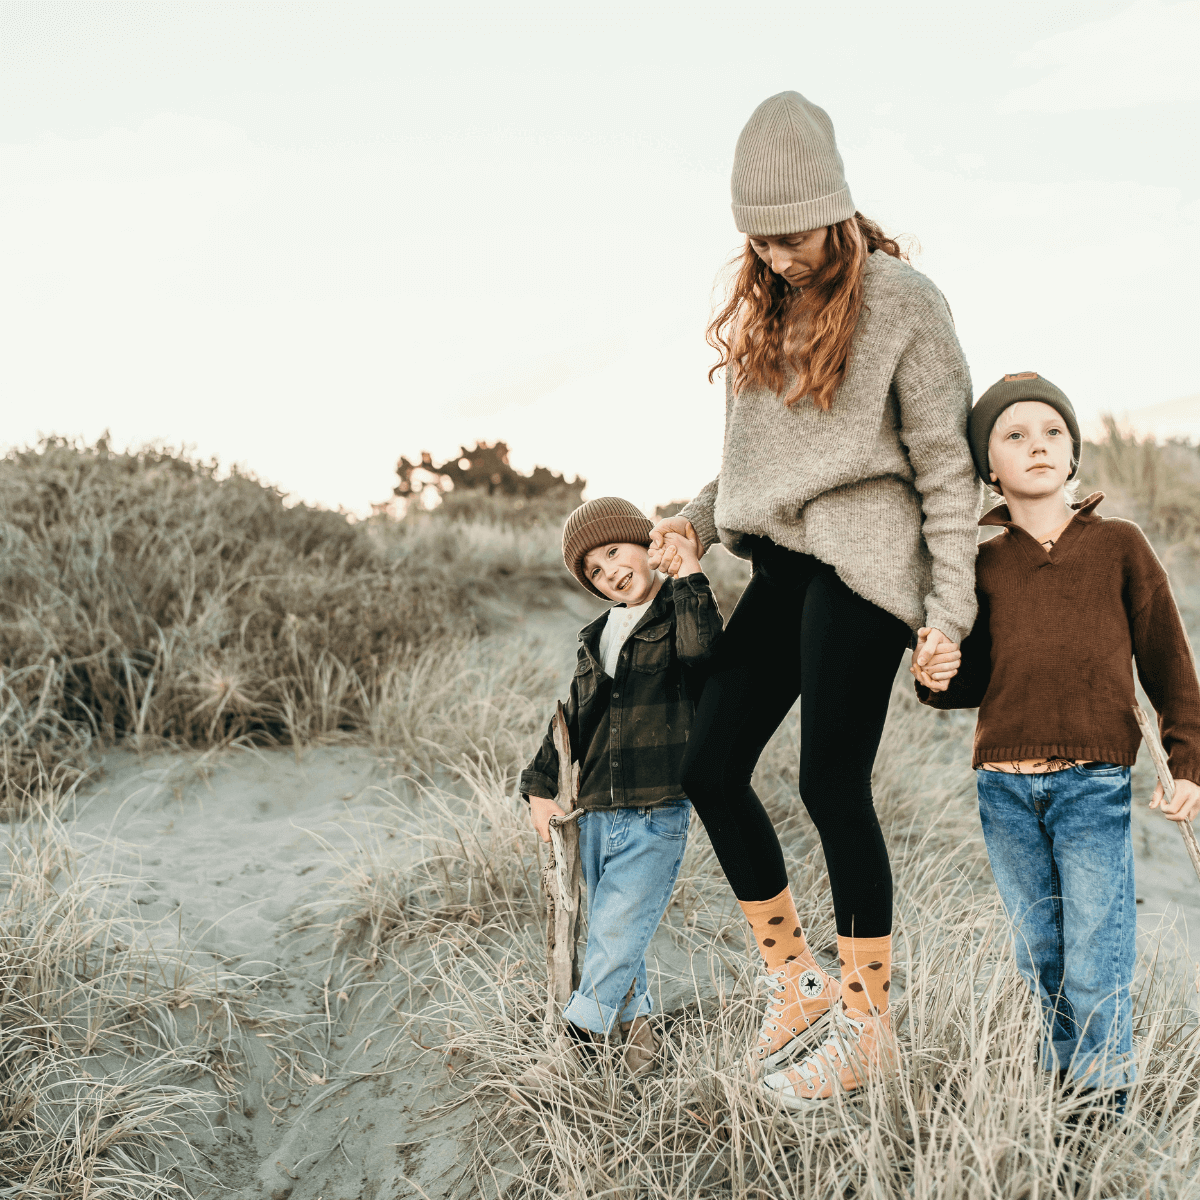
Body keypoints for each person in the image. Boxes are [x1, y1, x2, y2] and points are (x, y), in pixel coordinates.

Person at [649, 90, 978, 1106]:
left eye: (792, 235)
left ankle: (870, 1026)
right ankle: (797, 982)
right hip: (786, 566)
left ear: (835, 208)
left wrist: (949, 612)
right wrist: (695, 522)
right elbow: (756, 470)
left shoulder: (906, 301)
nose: (779, 256)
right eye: (760, 239)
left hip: (870, 567)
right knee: (710, 766)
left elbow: (946, 468)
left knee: (830, 786)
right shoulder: (773, 313)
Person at [913, 372, 1200, 1110]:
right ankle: (1059, 1082)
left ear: (1072, 453)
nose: (1036, 445)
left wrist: (1188, 762)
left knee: (1096, 948)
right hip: (1002, 784)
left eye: (1052, 432)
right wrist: (934, 671)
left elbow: (1170, 660)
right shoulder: (979, 563)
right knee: (1037, 947)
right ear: (988, 466)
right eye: (1014, 435)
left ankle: (1102, 1100)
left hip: (1092, 779)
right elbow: (970, 679)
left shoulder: (1119, 547)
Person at [515, 496, 723, 1087]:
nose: (611, 573)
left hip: (657, 807)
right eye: (596, 572)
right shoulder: (600, 634)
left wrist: (689, 576)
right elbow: (574, 720)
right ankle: (640, 1041)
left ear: (644, 541)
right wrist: (539, 788)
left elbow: (706, 654)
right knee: (612, 923)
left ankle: (570, 1051)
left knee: (614, 930)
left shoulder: (679, 609)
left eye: (614, 551)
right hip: (597, 810)